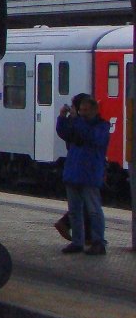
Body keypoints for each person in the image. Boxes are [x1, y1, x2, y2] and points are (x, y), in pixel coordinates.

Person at [55, 95, 109, 255]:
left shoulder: (101, 126)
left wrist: (77, 120)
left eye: (86, 110)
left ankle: (98, 242)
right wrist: (62, 117)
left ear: (94, 110)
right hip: (73, 172)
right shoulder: (78, 124)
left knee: (93, 210)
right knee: (74, 211)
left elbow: (90, 136)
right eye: (81, 110)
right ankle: (77, 242)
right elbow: (64, 133)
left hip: (89, 174)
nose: (82, 113)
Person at [53, 93, 92, 243]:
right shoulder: (78, 123)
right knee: (86, 202)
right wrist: (65, 117)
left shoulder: (74, 122)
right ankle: (69, 225)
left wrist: (63, 117)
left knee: (84, 201)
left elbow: (63, 132)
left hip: (77, 167)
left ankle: (85, 235)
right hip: (82, 167)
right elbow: (76, 136)